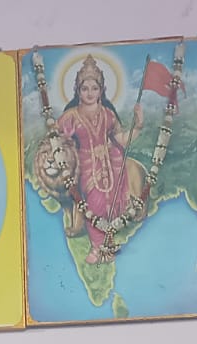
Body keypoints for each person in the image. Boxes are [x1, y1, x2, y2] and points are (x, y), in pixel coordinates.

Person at [56, 57, 143, 262]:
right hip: (85, 162)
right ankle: (97, 248)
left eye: (94, 88)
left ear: (101, 90)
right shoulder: (70, 116)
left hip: (111, 161)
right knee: (94, 200)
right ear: (78, 91)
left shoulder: (108, 115)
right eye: (85, 88)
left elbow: (121, 140)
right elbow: (57, 140)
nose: (90, 93)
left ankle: (109, 244)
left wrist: (138, 126)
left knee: (113, 199)